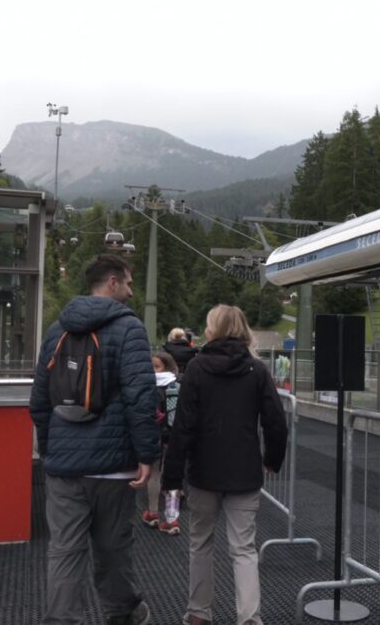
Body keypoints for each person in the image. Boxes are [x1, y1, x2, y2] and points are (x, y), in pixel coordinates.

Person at [30, 254, 160, 625]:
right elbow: (140, 396)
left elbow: (40, 400)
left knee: (65, 550)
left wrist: (50, 447)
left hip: (64, 467)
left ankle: (61, 620)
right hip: (112, 467)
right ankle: (122, 614)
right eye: (130, 283)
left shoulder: (57, 331)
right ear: (113, 283)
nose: (133, 292)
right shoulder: (129, 329)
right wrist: (147, 453)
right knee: (113, 548)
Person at [162, 304, 288, 625]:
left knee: (200, 543)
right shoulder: (256, 370)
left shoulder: (197, 369)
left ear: (212, 330)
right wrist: (272, 459)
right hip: (244, 472)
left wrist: (172, 480)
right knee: (244, 548)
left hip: (203, 472)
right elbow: (275, 422)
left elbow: (183, 428)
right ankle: (249, 618)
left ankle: (198, 613)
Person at [140, 350, 181, 535]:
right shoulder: (176, 385)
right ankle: (172, 519)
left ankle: (153, 513)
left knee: (154, 474)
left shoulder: (147, 386)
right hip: (173, 436)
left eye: (155, 366)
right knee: (173, 478)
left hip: (153, 434)